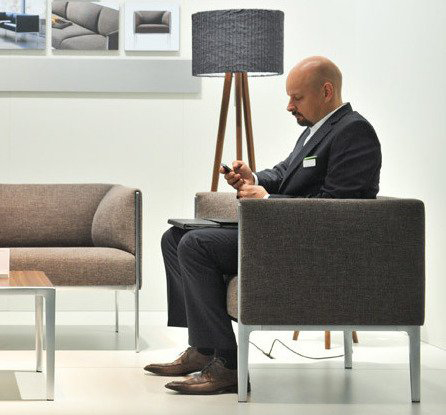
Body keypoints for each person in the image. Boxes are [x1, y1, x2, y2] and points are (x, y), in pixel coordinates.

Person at [144, 56, 382, 394]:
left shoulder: (354, 132)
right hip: (282, 233)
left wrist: (268, 201)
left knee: (195, 245)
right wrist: (252, 178)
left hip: (311, 246)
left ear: (327, 91)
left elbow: (339, 210)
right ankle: (203, 348)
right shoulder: (316, 130)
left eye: (297, 97)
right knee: (174, 237)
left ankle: (228, 366)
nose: (289, 106)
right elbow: (286, 173)